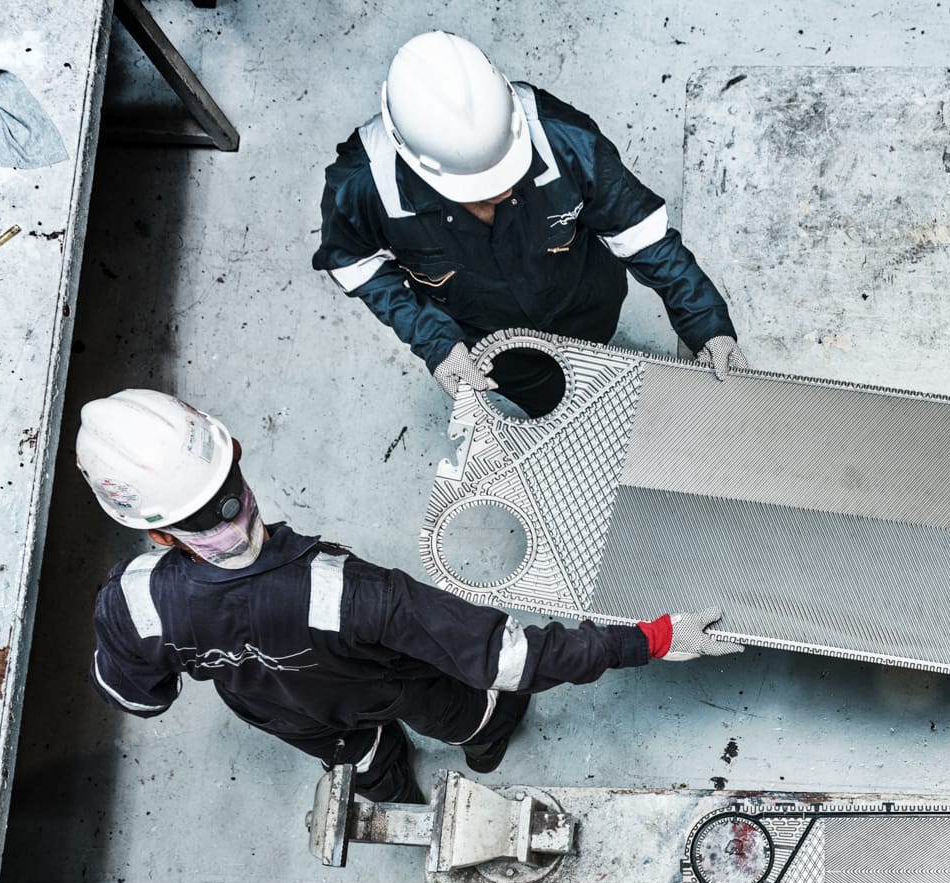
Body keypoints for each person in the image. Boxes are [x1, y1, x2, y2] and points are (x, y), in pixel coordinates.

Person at [78, 389, 739, 804]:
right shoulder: (349, 594)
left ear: (153, 529)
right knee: (478, 712)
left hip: (287, 716)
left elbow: (140, 697)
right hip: (403, 689)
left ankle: (390, 788)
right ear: (235, 455)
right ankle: (483, 744)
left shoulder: (133, 604)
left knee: (359, 759)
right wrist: (652, 638)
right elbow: (510, 660)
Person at [314, 31, 743, 416]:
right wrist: (436, 342)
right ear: (419, 166)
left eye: (507, 170)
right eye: (477, 190)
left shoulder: (565, 141)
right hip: (499, 346)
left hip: (588, 303)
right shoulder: (363, 186)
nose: (501, 191)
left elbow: (646, 238)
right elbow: (356, 265)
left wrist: (709, 328)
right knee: (552, 404)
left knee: (597, 358)